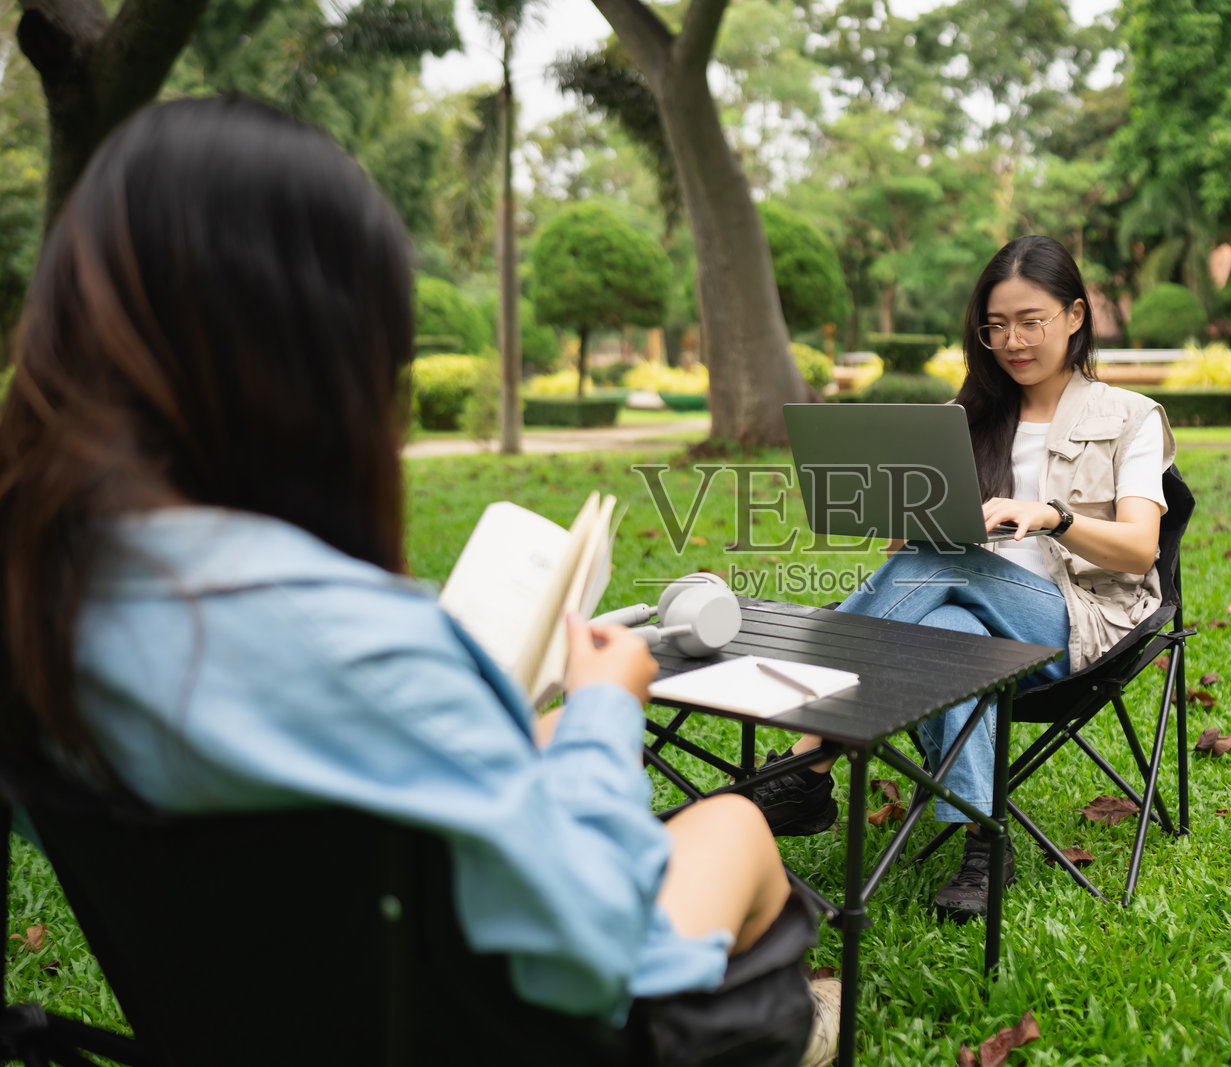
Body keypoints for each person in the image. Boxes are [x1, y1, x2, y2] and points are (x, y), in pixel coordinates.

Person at [0, 97, 837, 1066]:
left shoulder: (39, 606)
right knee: (732, 825)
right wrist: (607, 706)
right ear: (322, 355)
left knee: (546, 741)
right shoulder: (355, 645)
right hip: (517, 1035)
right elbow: (592, 945)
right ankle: (790, 1024)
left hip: (253, 1024)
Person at [752, 235, 1175, 921]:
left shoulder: (1131, 417)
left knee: (944, 566)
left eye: (1030, 321)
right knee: (951, 630)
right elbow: (910, 549)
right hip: (969, 612)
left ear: (1075, 315)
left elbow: (1138, 550)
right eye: (995, 325)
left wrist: (1054, 517)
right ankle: (985, 844)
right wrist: (898, 511)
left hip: (1077, 625)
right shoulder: (966, 418)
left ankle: (805, 754)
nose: (1012, 341)